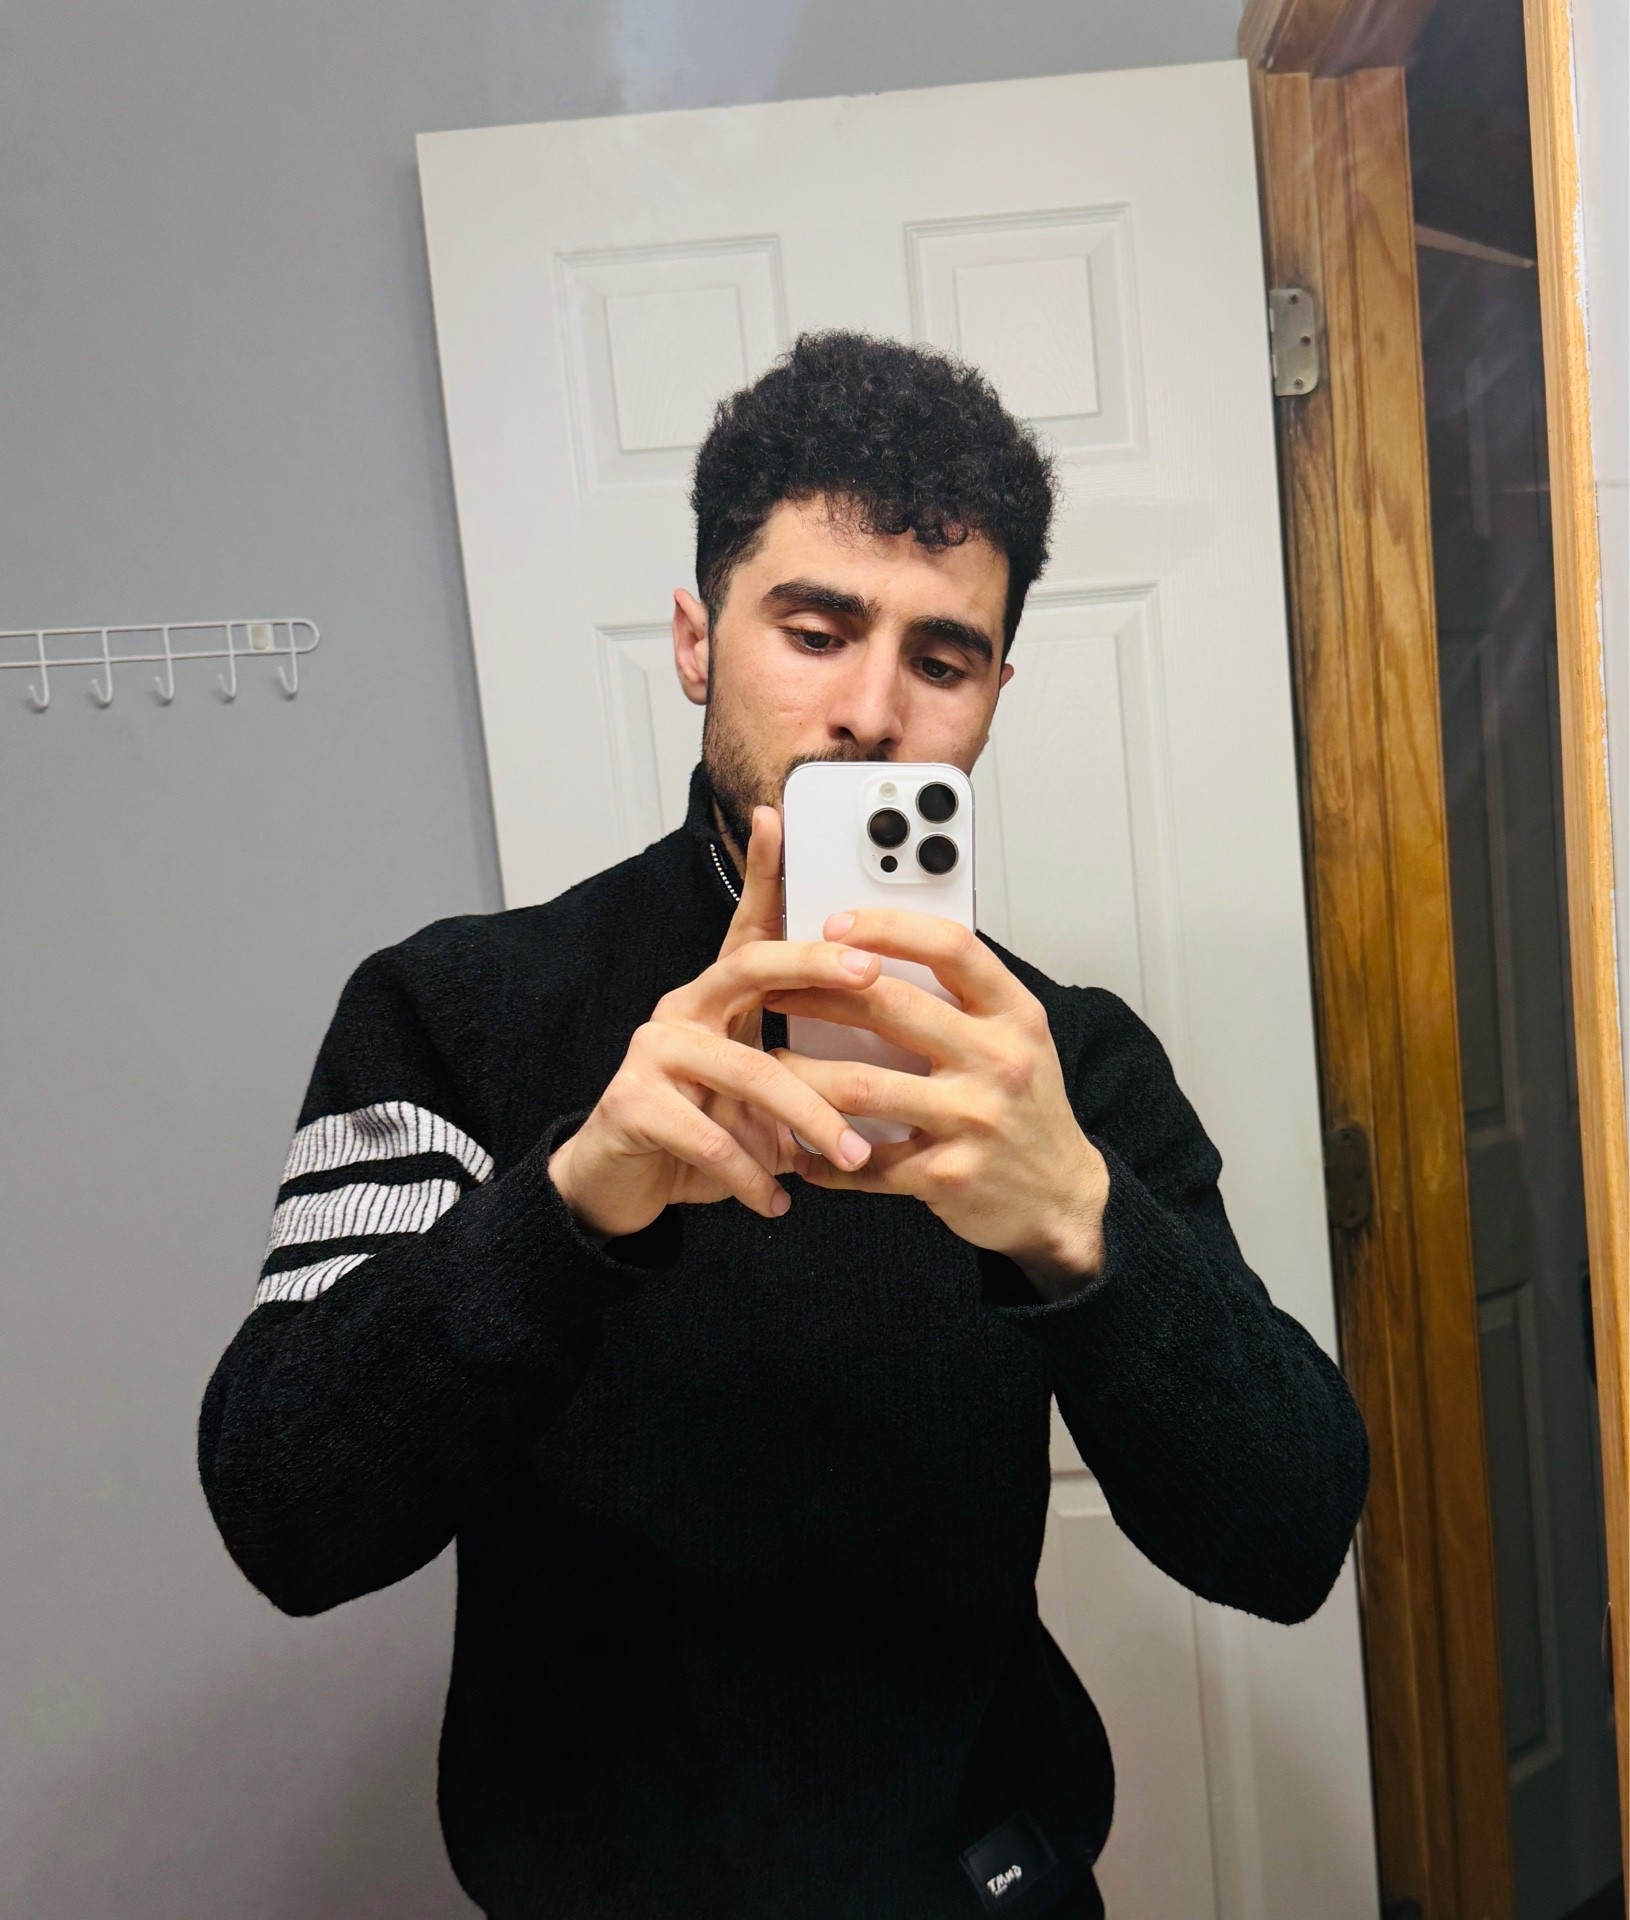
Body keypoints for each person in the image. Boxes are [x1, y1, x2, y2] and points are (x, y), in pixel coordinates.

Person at [199, 332, 1368, 1920]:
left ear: (993, 696)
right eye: (814, 631)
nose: (870, 710)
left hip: (985, 1891)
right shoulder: (455, 1011)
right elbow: (284, 1509)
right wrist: (570, 1206)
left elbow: (1287, 1538)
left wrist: (1082, 1234)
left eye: (941, 660)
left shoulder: (1057, 1067)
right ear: (696, 640)